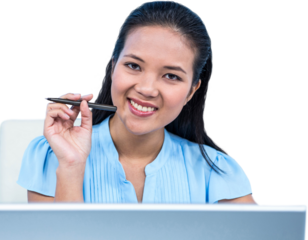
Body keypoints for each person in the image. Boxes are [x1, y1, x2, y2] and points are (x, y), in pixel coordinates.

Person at [17, 0, 258, 204]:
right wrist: (71, 166)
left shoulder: (220, 173)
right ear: (113, 67)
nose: (146, 89)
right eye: (133, 66)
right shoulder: (52, 157)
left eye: (171, 76)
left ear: (191, 91)